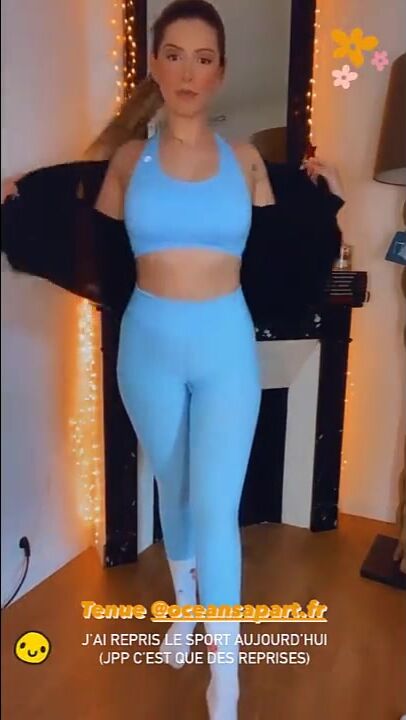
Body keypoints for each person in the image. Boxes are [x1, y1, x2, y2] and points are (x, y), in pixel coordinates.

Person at [1, 2, 344, 718]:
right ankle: (186, 609)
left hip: (225, 348)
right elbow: (87, 239)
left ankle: (227, 682)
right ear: (156, 65)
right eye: (176, 55)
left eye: (205, 58)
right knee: (177, 488)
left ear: (220, 72)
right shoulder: (130, 162)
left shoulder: (246, 160)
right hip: (148, 350)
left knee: (216, 506)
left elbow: (280, 246)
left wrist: (321, 192)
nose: (190, 71)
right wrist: (20, 207)